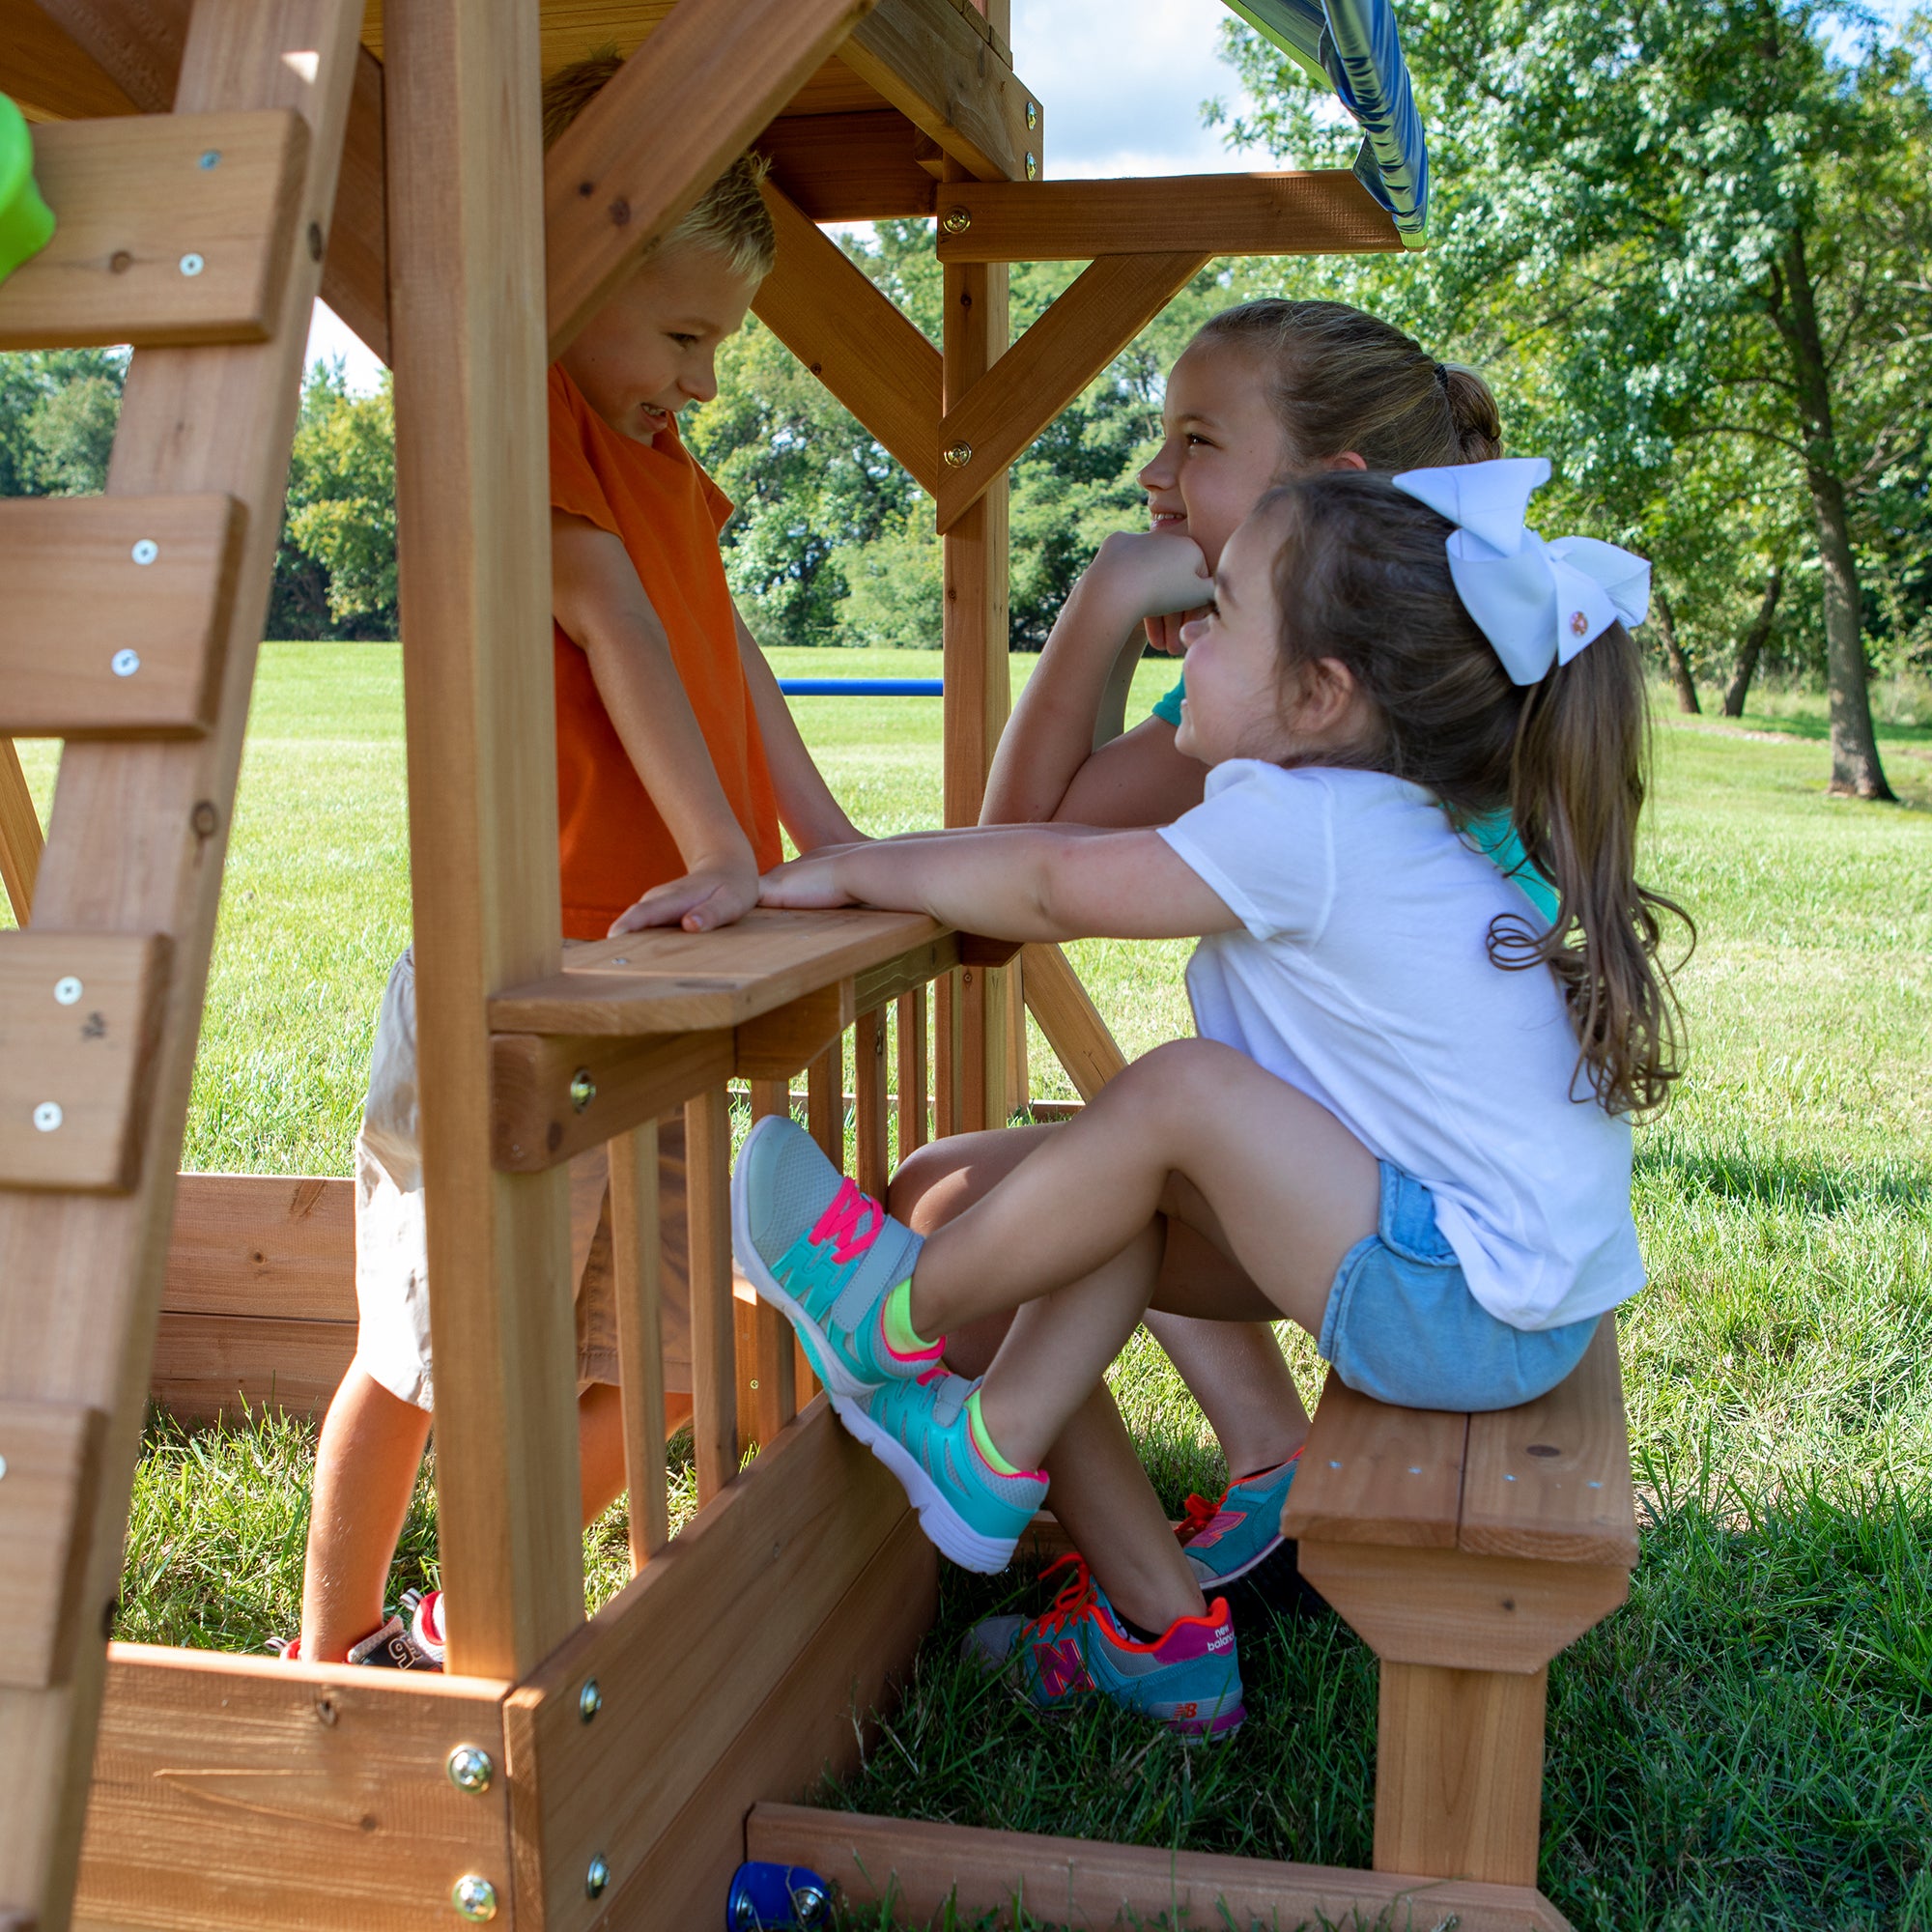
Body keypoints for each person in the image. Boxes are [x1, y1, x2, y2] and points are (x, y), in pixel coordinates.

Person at [731, 458, 1684, 1734]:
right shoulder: (1365, 815)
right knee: (1083, 1189)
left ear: (1319, 694)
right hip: (1474, 1288)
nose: (1187, 637)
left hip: (1466, 1305)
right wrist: (875, 862)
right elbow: (1060, 858)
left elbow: (1054, 887)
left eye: (1223, 614)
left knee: (1176, 1093)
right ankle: (1073, 1546)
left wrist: (854, 873)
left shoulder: (1314, 822)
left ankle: (891, 1313)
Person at [289, 55, 864, 1667]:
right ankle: (326, 1660)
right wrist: (723, 847)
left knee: (677, 1355)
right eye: (682, 337)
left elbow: (724, 652)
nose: (702, 381)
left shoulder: (662, 460)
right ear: (571, 269)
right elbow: (605, 614)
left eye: (718, 348)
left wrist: (822, 837)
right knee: (426, 1357)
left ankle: (456, 1615)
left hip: (654, 981)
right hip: (517, 977)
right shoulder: (518, 409)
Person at [898, 300, 1525, 1621]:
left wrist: (1103, 602)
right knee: (981, 1178)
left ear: (1328, 491)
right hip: (1384, 1187)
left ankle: (1158, 1609)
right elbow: (1046, 832)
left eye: (1196, 441)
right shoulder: (1374, 662)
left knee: (971, 1217)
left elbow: (1023, 866)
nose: (1153, 476)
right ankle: (1263, 1469)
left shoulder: (1319, 707)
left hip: (1406, 1225)